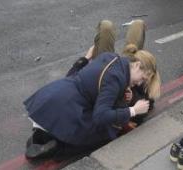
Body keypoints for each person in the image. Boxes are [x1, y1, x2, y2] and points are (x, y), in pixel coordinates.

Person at [24, 19, 159, 159]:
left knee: (106, 26)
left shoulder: (108, 57)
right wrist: (133, 110)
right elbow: (101, 115)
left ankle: (39, 137)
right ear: (137, 65)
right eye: (143, 78)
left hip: (53, 94)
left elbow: (72, 78)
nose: (139, 82)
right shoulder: (117, 79)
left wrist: (84, 59)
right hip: (72, 107)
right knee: (105, 133)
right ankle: (57, 148)